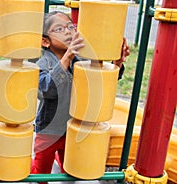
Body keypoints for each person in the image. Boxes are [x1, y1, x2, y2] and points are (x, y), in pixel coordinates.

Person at [30, 11, 130, 177]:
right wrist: (67, 57)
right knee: (41, 172)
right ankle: (36, 165)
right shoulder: (43, 64)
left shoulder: (81, 61)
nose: (68, 31)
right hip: (49, 130)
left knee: (69, 168)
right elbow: (46, 90)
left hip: (73, 129)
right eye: (59, 29)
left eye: (71, 27)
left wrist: (116, 63)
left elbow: (100, 82)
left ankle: (60, 160)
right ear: (45, 41)